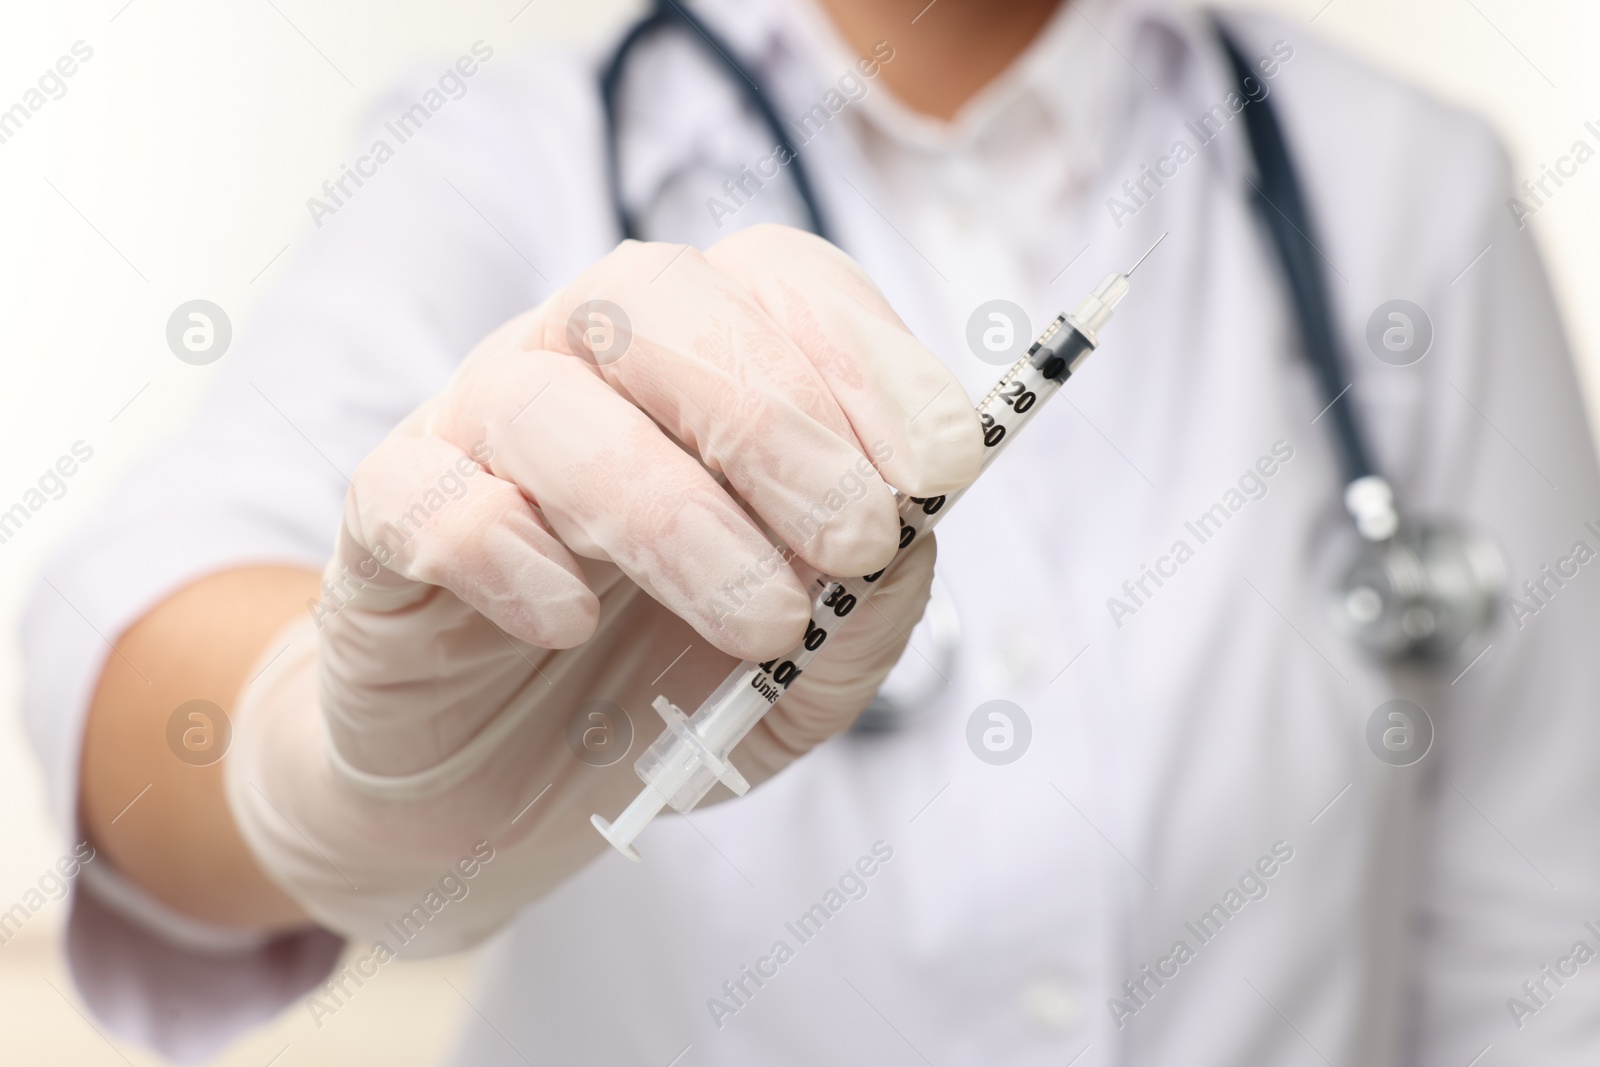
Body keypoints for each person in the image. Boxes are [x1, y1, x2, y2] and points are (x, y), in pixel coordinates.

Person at [23, 0, 1600, 1062]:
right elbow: (136, 664)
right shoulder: (512, 151)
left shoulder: (1405, 186)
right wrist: (331, 788)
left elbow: (1544, 957)